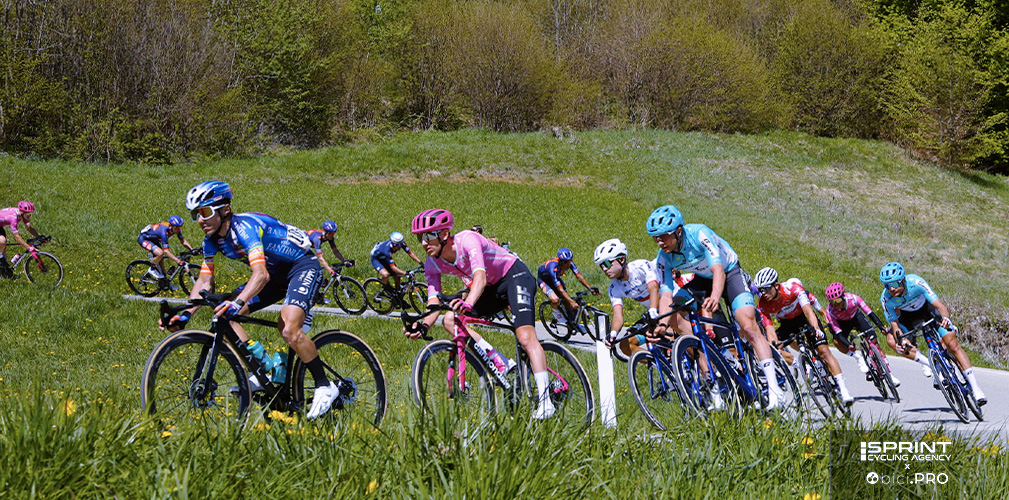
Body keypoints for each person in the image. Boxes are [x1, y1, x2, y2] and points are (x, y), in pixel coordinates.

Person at [160, 181, 339, 419]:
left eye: (205, 212)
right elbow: (204, 281)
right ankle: (265, 369)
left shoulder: (244, 228)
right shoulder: (211, 241)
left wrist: (237, 302)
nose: (200, 220)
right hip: (275, 276)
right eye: (196, 214)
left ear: (225, 209)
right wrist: (184, 315)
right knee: (224, 316)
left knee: (288, 329)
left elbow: (260, 274)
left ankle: (325, 386)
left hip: (301, 266)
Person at [403, 208, 556, 419]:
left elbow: (480, 278)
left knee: (525, 336)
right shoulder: (432, 264)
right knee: (450, 319)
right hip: (490, 290)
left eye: (428, 236)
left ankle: (546, 403)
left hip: (514, 276)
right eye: (420, 238)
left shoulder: (468, 240)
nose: (423, 243)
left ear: (444, 234)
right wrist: (422, 326)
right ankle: (503, 364)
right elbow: (433, 301)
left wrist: (468, 303)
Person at [646, 205, 786, 409]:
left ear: (678, 231)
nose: (659, 242)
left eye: (664, 236)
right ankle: (707, 347)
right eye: (655, 238)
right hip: (703, 279)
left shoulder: (699, 234)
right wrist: (662, 325)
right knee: (674, 311)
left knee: (747, 325)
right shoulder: (664, 257)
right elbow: (666, 293)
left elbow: (718, 270)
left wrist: (714, 297)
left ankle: (775, 390)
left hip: (729, 273)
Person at [879, 262, 986, 405]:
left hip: (928, 311)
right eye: (887, 285)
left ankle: (976, 388)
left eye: (894, 283)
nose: (891, 288)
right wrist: (901, 341)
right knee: (892, 341)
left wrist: (946, 319)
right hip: (907, 319)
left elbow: (940, 306)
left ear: (903, 280)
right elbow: (895, 326)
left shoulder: (916, 282)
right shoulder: (886, 298)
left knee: (952, 345)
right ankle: (929, 364)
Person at [753, 268, 855, 405]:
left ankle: (843, 389)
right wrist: (775, 345)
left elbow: (808, 311)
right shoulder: (763, 303)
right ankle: (801, 363)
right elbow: (769, 328)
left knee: (824, 351)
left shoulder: (793, 289)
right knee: (771, 349)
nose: (763, 293)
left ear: (776, 285)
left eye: (766, 289)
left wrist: (816, 329)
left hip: (804, 318)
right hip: (787, 324)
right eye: (760, 290)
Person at [823, 282, 900, 386]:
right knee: (837, 342)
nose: (836, 304)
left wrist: (881, 326)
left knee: (874, 342)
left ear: (843, 296)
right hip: (842, 324)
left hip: (856, 318)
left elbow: (870, 313)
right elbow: (838, 332)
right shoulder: (830, 311)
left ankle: (889, 374)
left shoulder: (854, 298)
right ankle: (858, 357)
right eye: (832, 302)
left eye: (838, 300)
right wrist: (848, 345)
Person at [594, 238, 659, 359]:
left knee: (667, 333)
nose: (604, 269)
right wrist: (612, 334)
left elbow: (653, 288)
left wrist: (653, 311)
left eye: (607, 263)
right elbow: (618, 316)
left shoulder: (640, 267)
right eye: (601, 266)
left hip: (670, 305)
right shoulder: (614, 287)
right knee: (625, 345)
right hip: (653, 313)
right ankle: (661, 364)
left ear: (622, 259)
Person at [537, 248, 600, 329]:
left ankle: (572, 322)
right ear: (561, 262)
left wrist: (590, 289)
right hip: (544, 280)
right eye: (567, 262)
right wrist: (572, 302)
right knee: (555, 299)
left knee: (566, 300)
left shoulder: (569, 263)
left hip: (555, 278)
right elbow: (560, 290)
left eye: (570, 261)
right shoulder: (552, 268)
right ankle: (555, 314)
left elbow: (579, 276)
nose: (569, 264)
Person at [137, 215, 195, 283]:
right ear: (171, 226)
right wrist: (178, 261)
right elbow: (166, 252)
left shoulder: (175, 230)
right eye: (177, 228)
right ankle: (152, 269)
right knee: (160, 253)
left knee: (160, 260)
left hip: (154, 239)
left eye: (180, 227)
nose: (179, 229)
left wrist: (192, 250)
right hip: (144, 239)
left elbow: (183, 241)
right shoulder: (164, 232)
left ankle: (165, 282)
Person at [0, 201, 42, 279]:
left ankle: (5, 274)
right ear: (22, 213)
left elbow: (29, 228)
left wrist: (39, 237)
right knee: (2, 241)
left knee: (3, 251)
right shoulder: (13, 218)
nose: (29, 215)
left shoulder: (22, 215)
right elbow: (17, 237)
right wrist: (29, 247)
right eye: (28, 214)